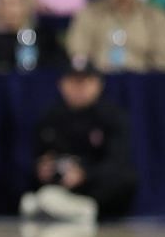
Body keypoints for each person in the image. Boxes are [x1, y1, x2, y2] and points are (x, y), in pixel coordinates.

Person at [22, 60, 135, 223]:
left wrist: (85, 173)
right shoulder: (50, 117)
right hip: (62, 183)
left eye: (86, 81)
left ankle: (77, 208)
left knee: (124, 180)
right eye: (74, 81)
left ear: (99, 84)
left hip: (94, 185)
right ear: (61, 84)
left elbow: (118, 161)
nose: (79, 88)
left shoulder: (113, 117)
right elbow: (39, 155)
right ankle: (60, 206)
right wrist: (42, 167)